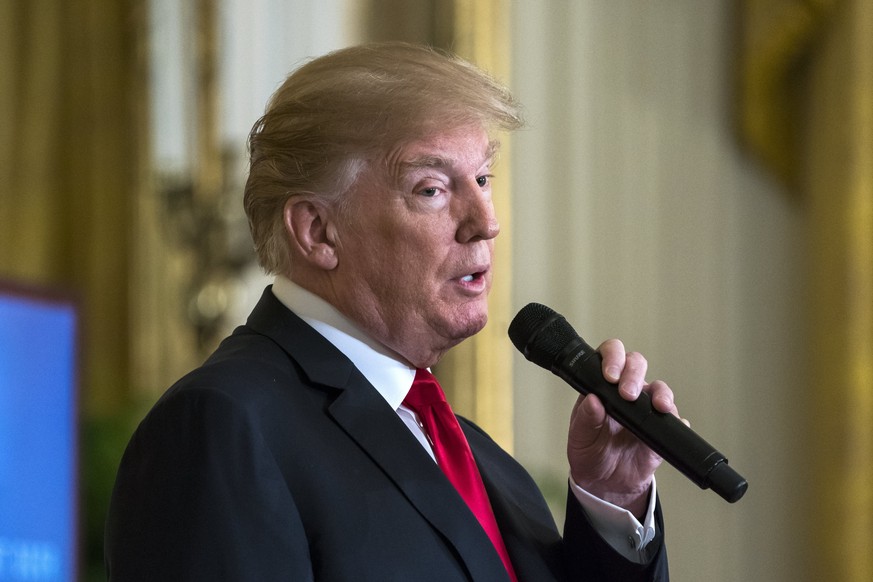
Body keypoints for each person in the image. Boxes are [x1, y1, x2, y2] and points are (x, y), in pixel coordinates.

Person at [105, 42, 676, 581]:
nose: (486, 221)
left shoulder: (485, 463)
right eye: (432, 189)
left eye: (482, 178)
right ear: (318, 230)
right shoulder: (223, 426)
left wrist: (613, 498)